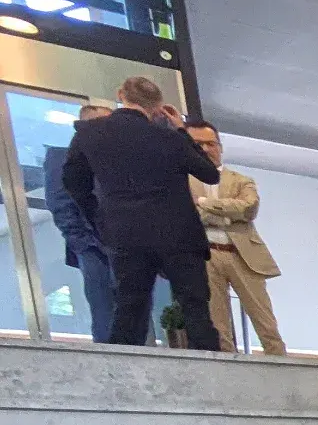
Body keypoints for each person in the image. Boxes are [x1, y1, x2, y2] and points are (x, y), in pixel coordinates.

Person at [62, 76, 222, 351]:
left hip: (125, 233)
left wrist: (99, 218)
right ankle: (210, 367)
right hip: (178, 233)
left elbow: (73, 181)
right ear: (158, 107)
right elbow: (209, 173)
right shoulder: (170, 138)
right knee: (195, 307)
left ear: (120, 94)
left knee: (130, 307)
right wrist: (182, 130)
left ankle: (123, 368)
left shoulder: (89, 133)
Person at [185, 120, 286, 356]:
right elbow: (187, 214)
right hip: (204, 255)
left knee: (266, 322)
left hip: (243, 255)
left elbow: (249, 209)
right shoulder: (181, 181)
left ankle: (281, 365)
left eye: (211, 143)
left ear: (220, 147)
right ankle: (227, 369)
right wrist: (229, 213)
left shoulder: (241, 180)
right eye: (198, 144)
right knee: (217, 325)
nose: (206, 149)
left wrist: (204, 203)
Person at [40, 103, 116, 342]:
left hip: (125, 245)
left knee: (134, 312)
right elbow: (59, 204)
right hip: (92, 246)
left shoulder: (117, 159)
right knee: (104, 312)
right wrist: (84, 243)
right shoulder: (62, 158)